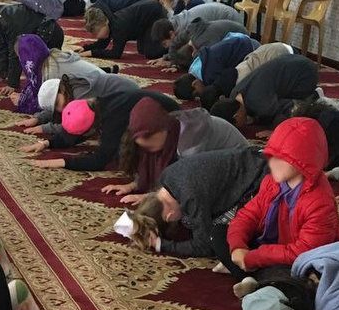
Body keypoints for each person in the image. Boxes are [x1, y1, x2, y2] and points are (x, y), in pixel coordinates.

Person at [215, 117, 339, 297]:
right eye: (271, 155)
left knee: (300, 276)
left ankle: (253, 277)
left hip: (304, 258)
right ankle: (256, 280)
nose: (272, 162)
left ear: (303, 161)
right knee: (219, 234)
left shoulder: (320, 202)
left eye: (282, 158)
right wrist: (238, 247)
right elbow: (247, 215)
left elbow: (303, 252)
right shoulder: (272, 182)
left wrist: (252, 257)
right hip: (274, 248)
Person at [127, 146, 267, 257]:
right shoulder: (166, 177)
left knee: (224, 236)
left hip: (262, 175)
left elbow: (204, 246)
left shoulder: (191, 198)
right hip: (254, 156)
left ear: (170, 216)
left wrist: (161, 244)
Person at [106, 97, 248, 198]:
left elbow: (189, 184)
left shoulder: (190, 142)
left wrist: (153, 197)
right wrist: (134, 185)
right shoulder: (170, 126)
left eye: (149, 146)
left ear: (160, 130)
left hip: (240, 170)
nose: (150, 152)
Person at [23, 90, 179, 171]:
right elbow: (75, 132)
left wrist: (61, 162)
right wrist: (46, 143)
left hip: (173, 121)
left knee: (122, 157)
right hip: (155, 107)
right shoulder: (95, 106)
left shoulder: (113, 121)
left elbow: (100, 161)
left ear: (90, 129)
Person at [13, 35, 136, 115]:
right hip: (111, 85)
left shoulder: (50, 73)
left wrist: (23, 101)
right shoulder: (51, 58)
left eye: (21, 58)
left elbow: (53, 106)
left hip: (117, 97)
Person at [210, 53, 318, 127]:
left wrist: (275, 130)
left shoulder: (260, 105)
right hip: (293, 58)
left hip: (306, 73)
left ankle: (315, 96)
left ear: (236, 117)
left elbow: (290, 107)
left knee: (291, 113)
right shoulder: (234, 93)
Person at [19, 73, 139, 138]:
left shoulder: (80, 94)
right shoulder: (67, 89)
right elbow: (54, 106)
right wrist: (38, 118)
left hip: (129, 100)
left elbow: (77, 125)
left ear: (62, 90)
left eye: (57, 103)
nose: (60, 109)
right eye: (55, 108)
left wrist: (45, 128)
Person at [173, 41, 292, 104]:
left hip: (271, 51)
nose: (199, 95)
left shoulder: (212, 76)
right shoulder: (196, 68)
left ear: (194, 84)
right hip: (266, 48)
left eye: (197, 94)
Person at [148, 3, 244, 69]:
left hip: (233, 24)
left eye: (165, 44)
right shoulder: (176, 24)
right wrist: (166, 57)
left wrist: (173, 63)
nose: (166, 47)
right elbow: (176, 46)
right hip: (223, 22)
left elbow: (193, 54)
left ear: (171, 34)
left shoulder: (189, 27)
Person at [80, 0, 168, 60]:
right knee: (142, 50)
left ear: (106, 22)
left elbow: (116, 54)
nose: (97, 36)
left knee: (152, 53)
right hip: (143, 21)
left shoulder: (118, 26)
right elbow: (102, 44)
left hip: (155, 14)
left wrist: (92, 53)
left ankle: (171, 48)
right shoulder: (109, 23)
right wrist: (85, 48)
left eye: (98, 32)